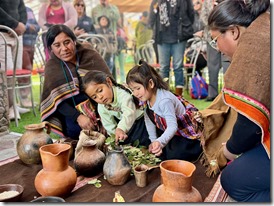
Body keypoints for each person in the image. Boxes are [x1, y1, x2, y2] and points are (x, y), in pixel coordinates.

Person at [206, 0, 270, 202]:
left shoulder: (253, 45)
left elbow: (251, 123)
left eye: (214, 39)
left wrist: (229, 150)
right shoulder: (264, 27)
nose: (216, 48)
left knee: (232, 180)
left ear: (233, 31)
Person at [40, 24, 110, 140]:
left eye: (67, 42)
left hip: (102, 105)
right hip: (73, 112)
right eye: (57, 45)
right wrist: (78, 117)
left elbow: (108, 88)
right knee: (76, 132)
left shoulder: (90, 55)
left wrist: (105, 116)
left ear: (74, 41)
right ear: (51, 48)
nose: (64, 49)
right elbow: (57, 101)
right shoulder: (52, 67)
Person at [126, 60, 203, 161]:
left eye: (137, 88)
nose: (135, 93)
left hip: (183, 133)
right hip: (168, 130)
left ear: (151, 83)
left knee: (174, 155)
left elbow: (173, 127)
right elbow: (149, 121)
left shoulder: (164, 101)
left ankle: (197, 148)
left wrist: (160, 142)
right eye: (132, 90)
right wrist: (154, 141)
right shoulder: (146, 98)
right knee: (148, 144)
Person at [83, 70, 151, 147]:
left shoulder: (122, 95)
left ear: (109, 82)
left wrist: (121, 129)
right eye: (94, 97)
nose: (100, 97)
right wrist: (115, 136)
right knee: (127, 146)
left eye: (100, 90)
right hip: (124, 125)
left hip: (141, 121)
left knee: (144, 144)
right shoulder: (101, 107)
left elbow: (129, 113)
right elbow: (109, 125)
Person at [148, 0, 195, 97]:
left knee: (178, 67)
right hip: (162, 37)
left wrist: (186, 26)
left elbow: (191, 14)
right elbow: (151, 17)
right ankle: (164, 93)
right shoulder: (157, 1)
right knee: (163, 67)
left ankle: (179, 94)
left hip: (179, 37)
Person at [0, 0, 27, 120]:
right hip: (2, 33)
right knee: (7, 73)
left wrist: (22, 25)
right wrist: (14, 25)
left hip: (17, 35)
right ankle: (8, 108)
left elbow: (22, 8)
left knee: (16, 71)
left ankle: (14, 105)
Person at [200, 0, 230, 101]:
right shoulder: (207, 2)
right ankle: (212, 94)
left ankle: (228, 94)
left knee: (227, 66)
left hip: (226, 37)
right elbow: (203, 16)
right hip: (211, 38)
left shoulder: (228, 2)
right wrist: (212, 25)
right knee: (212, 67)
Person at [21, 6, 40, 107]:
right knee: (25, 69)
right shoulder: (15, 7)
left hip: (31, 43)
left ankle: (26, 98)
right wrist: (29, 27)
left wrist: (34, 27)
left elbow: (37, 26)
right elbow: (16, 22)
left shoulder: (29, 10)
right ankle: (23, 98)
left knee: (29, 71)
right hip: (22, 43)